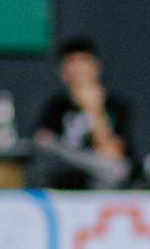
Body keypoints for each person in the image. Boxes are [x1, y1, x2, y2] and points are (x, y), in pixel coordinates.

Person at [31, 39, 135, 189]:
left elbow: (112, 155)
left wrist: (94, 109)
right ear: (62, 71)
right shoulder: (56, 106)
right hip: (63, 171)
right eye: (72, 61)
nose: (78, 68)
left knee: (116, 169)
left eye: (84, 61)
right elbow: (43, 145)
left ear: (96, 66)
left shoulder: (115, 106)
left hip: (98, 175)